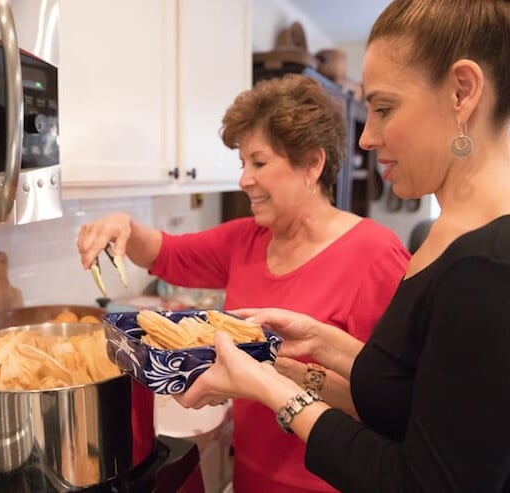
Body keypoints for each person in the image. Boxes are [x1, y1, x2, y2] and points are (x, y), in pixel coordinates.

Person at [175, 0, 510, 491]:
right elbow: (416, 405)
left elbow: (421, 481)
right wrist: (320, 343)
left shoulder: (488, 267)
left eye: (384, 108)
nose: (367, 137)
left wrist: (271, 390)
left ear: (462, 91)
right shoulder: (449, 236)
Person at [78, 73, 409, 493]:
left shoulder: (376, 255)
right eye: (242, 164)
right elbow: (167, 254)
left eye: (259, 162)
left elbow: (390, 406)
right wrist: (121, 224)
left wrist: (277, 373)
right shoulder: (246, 240)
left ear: (312, 163)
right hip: (250, 475)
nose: (243, 179)